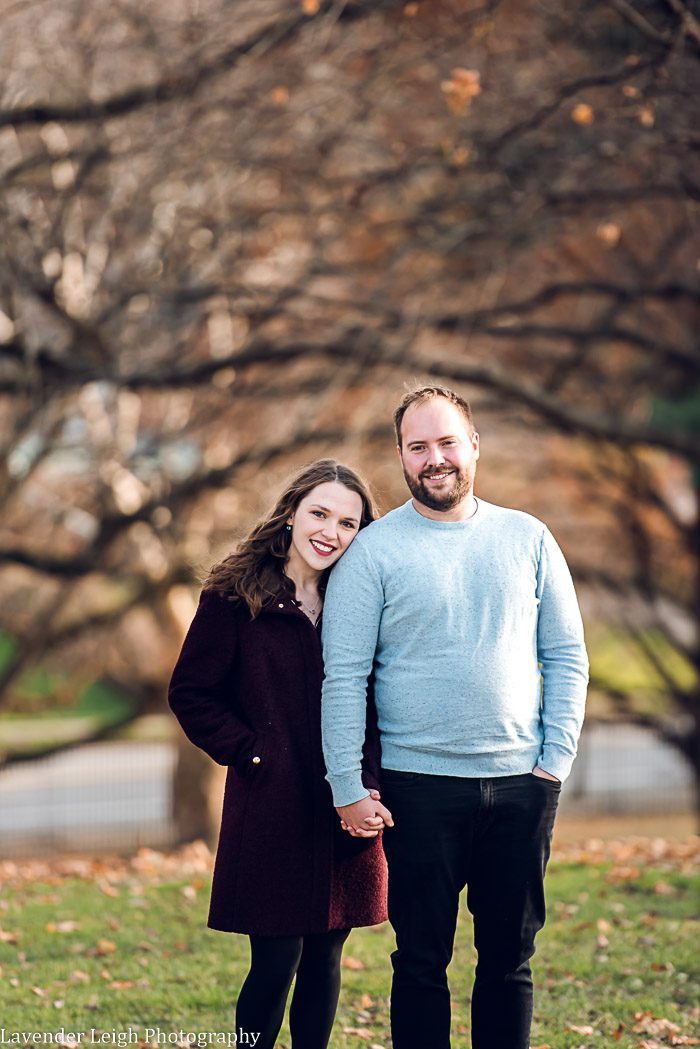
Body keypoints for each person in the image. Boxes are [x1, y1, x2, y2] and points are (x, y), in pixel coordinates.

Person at [321, 386, 589, 1049]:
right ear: (401, 456)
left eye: (446, 442)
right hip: (418, 791)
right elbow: (344, 676)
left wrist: (553, 761)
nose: (434, 458)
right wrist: (346, 785)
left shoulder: (528, 537)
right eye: (418, 447)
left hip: (522, 789)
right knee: (420, 962)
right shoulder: (373, 552)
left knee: (509, 962)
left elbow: (567, 655)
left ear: (473, 445)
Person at [168, 459, 388, 1049]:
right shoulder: (235, 596)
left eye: (348, 522)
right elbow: (191, 693)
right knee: (275, 960)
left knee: (326, 956)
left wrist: (367, 783)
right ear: (291, 514)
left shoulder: (360, 597)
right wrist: (253, 753)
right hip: (271, 806)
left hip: (346, 804)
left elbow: (375, 699)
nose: (331, 532)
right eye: (319, 514)